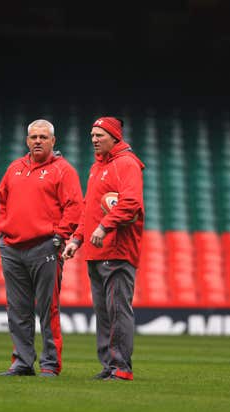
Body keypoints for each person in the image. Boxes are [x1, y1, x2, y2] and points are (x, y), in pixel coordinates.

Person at [0, 119, 83, 377]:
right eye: (33, 137)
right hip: (12, 248)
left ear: (53, 141)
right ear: (27, 140)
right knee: (18, 310)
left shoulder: (63, 170)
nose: (38, 141)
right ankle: (22, 361)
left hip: (45, 247)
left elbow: (75, 207)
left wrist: (60, 236)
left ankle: (50, 364)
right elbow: (1, 200)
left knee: (48, 309)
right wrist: (0, 229)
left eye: (43, 137)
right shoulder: (15, 168)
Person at [62, 116, 145, 381]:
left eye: (99, 135)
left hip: (118, 250)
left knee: (117, 310)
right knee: (104, 312)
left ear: (114, 137)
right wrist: (77, 238)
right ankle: (109, 365)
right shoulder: (97, 167)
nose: (94, 140)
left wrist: (105, 226)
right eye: (92, 135)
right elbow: (88, 209)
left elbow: (131, 203)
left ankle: (122, 368)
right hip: (97, 252)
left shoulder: (126, 164)